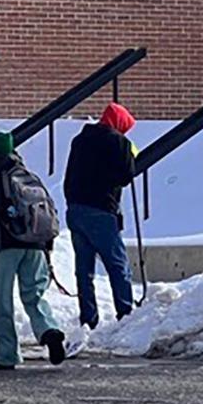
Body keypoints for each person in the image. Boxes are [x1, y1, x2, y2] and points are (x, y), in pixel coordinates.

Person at [0, 131, 65, 369]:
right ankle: (49, 330)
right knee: (34, 295)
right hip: (36, 245)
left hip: (6, 245)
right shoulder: (24, 174)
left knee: (2, 303)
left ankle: (7, 355)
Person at [64, 102, 138, 328]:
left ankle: (88, 317)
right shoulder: (118, 142)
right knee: (117, 265)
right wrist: (130, 153)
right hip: (101, 210)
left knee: (84, 270)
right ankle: (125, 314)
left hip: (75, 208)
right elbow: (127, 175)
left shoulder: (79, 140)